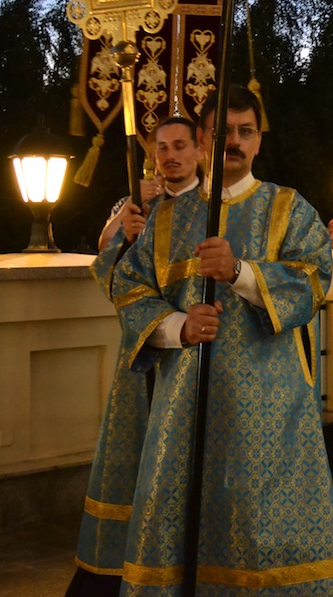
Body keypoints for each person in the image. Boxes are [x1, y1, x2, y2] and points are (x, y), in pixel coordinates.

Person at [109, 86, 333, 595]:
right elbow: (129, 287)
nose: (234, 143)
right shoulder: (167, 218)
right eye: (223, 133)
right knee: (183, 525)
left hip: (269, 409)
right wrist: (178, 326)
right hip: (185, 404)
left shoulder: (288, 208)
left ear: (259, 140)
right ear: (203, 140)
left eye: (246, 132)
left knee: (264, 527)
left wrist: (240, 271)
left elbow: (313, 282)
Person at [67, 117, 203, 597]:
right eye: (162, 147)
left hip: (194, 358)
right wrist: (122, 232)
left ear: (199, 150)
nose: (171, 156)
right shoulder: (140, 205)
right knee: (135, 458)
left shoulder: (217, 208)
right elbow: (109, 276)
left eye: (180, 145)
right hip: (143, 353)